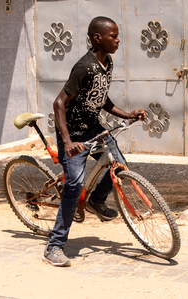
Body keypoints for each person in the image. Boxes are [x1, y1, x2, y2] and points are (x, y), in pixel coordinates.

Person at [43, 16, 145, 267]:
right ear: (98, 38)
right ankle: (54, 245)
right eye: (114, 35)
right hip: (74, 134)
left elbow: (101, 98)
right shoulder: (84, 67)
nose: (118, 40)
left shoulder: (107, 62)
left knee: (119, 166)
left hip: (94, 128)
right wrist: (67, 142)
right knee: (74, 184)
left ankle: (96, 201)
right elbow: (58, 103)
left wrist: (127, 113)